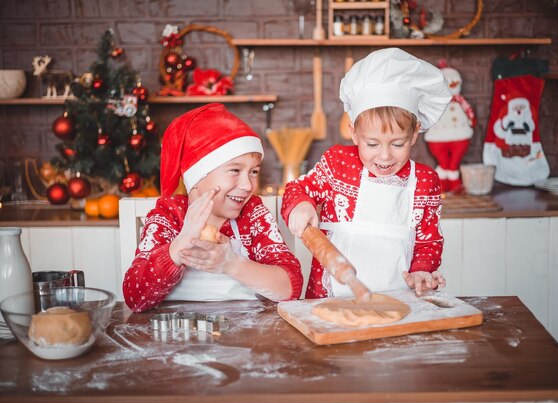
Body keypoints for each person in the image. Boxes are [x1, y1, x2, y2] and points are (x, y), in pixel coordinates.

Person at [281, 48, 451, 299]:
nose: (384, 156)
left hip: (398, 303)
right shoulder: (338, 164)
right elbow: (298, 188)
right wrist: (301, 205)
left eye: (397, 144)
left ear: (414, 134)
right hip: (329, 302)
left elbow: (429, 242)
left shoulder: (425, 181)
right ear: (353, 133)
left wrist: (422, 271)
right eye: (372, 144)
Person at [123, 103, 303, 312]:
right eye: (235, 170)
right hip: (176, 337)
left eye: (253, 172)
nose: (247, 185)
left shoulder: (253, 214)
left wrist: (230, 264)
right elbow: (135, 298)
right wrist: (180, 246)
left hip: (246, 335)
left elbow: (290, 287)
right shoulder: (169, 216)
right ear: (197, 176)